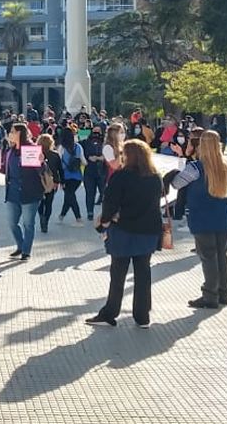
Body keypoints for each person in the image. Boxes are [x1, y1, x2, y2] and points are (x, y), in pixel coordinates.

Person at [88, 140, 164, 328]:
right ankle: (142, 315)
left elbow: (110, 203)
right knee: (143, 273)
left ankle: (110, 312)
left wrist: (104, 221)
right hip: (148, 231)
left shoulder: (121, 177)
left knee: (118, 274)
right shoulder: (155, 177)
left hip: (124, 230)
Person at [171, 131, 227, 309]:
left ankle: (210, 295)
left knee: (208, 256)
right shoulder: (225, 165)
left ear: (202, 146)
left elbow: (176, 183)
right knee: (221, 254)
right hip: (221, 214)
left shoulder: (196, 168)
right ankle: (223, 293)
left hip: (201, 216)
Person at [0, 123, 45, 261]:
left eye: (12, 131)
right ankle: (20, 245)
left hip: (30, 193)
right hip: (12, 192)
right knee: (12, 223)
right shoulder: (10, 151)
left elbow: (41, 171)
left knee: (28, 224)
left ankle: (26, 251)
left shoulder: (31, 149)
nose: (10, 134)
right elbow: (5, 169)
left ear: (20, 133)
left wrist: (42, 162)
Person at [37, 133, 63, 234]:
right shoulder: (55, 155)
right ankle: (46, 221)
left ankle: (41, 216)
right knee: (49, 203)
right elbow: (60, 170)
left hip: (39, 181)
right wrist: (60, 181)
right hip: (52, 182)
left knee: (40, 202)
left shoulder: (36, 154)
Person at [81, 122, 105, 223]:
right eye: (95, 131)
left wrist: (100, 158)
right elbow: (81, 154)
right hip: (89, 171)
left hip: (102, 171)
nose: (96, 133)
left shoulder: (105, 142)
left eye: (98, 131)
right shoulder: (86, 142)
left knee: (104, 193)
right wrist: (88, 158)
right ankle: (90, 212)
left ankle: (106, 213)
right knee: (90, 193)